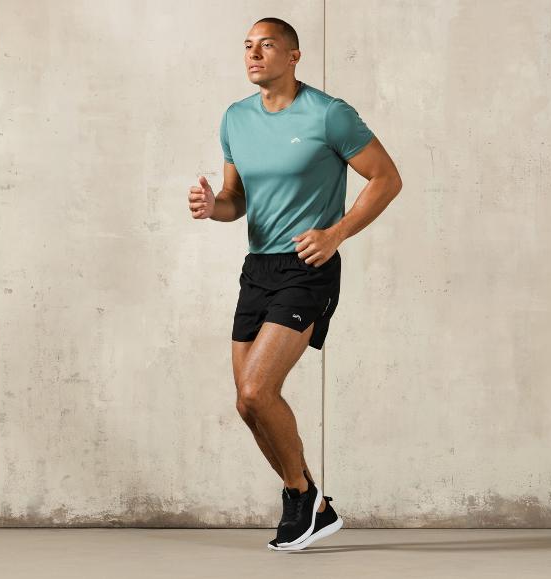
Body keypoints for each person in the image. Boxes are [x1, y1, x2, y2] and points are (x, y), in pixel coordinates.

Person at [188, 17, 401, 550]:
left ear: (294, 55)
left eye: (267, 45)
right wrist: (214, 207)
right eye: (247, 46)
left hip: (307, 268)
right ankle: (316, 503)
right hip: (258, 268)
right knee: (247, 402)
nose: (254, 54)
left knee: (259, 388)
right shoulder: (235, 119)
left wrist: (335, 234)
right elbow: (237, 201)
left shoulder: (329, 114)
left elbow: (387, 178)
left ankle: (299, 498)